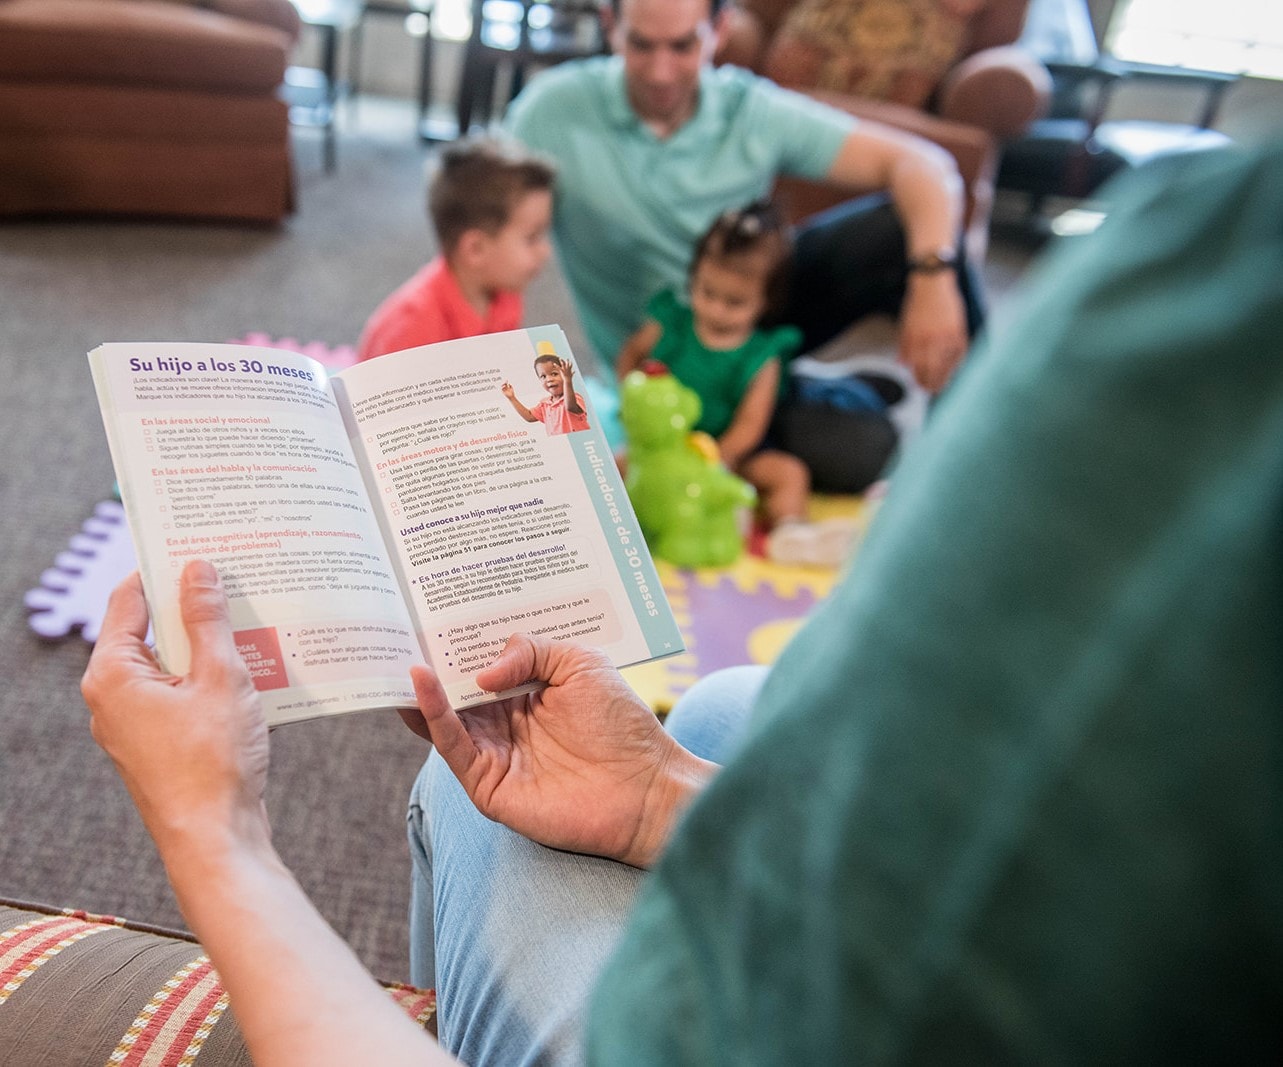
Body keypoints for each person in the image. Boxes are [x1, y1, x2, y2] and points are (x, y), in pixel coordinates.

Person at [83, 136, 1283, 1066]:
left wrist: (212, 828)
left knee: (466, 799)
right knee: (716, 703)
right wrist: (660, 792)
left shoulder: (1215, 295)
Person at [504, 0, 983, 462]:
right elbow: (482, 229)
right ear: (610, 26)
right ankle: (826, 388)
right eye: (642, 45)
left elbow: (924, 164)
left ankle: (973, 452)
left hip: (751, 316)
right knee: (856, 451)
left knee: (907, 229)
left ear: (720, 30)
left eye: (683, 46)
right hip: (668, 357)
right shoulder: (551, 113)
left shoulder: (751, 108)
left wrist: (933, 278)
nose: (661, 71)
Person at [616, 200, 855, 565]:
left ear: (765, 301)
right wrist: (634, 400)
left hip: (727, 456)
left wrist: (716, 460)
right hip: (662, 451)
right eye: (707, 293)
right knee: (613, 464)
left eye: (735, 302)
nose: (716, 309)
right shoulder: (672, 324)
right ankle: (617, 526)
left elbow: (751, 424)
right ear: (693, 278)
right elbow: (631, 355)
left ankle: (791, 532)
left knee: (789, 473)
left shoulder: (762, 356)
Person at [356, 136, 555, 362]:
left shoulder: (506, 292)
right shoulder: (409, 329)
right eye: (532, 238)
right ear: (475, 249)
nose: (546, 251)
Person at [501, 343, 591, 435]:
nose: (549, 379)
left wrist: (567, 380)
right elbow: (529, 417)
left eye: (554, 374)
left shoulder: (575, 397)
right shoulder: (544, 404)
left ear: (564, 374)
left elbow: (570, 406)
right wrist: (512, 398)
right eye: (543, 376)